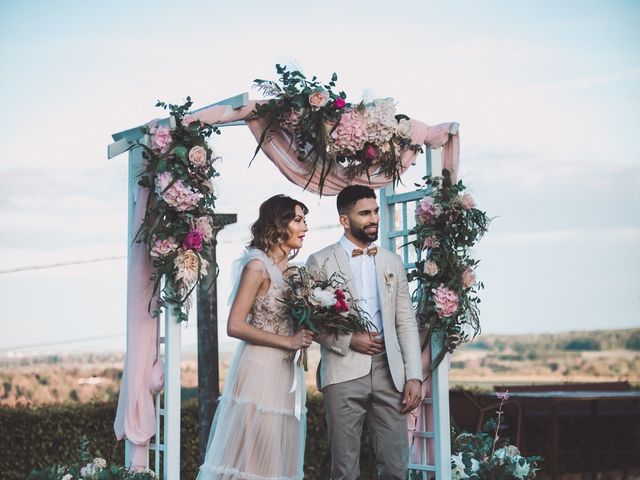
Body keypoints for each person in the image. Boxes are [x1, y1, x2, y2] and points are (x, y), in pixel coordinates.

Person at [306, 185, 423, 480]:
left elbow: (405, 321)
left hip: (390, 371)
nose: (373, 219)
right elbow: (311, 321)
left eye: (375, 211)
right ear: (344, 220)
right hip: (343, 372)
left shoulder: (391, 261)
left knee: (397, 467)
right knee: (344, 470)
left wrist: (413, 376)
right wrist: (350, 339)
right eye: (364, 213)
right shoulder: (320, 262)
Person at [197, 194, 313, 480]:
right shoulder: (257, 266)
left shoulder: (294, 274)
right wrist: (289, 341)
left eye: (304, 220)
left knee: (277, 457)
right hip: (259, 371)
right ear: (278, 224)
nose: (305, 228)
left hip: (286, 372)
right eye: (298, 220)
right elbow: (235, 325)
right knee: (254, 458)